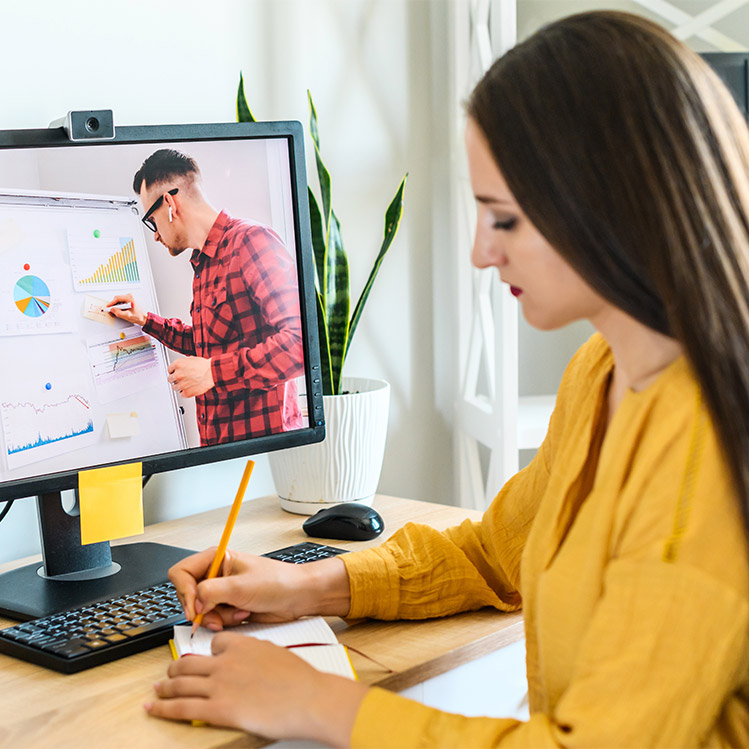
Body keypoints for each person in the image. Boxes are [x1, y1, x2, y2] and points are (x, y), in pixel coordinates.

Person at [143, 11, 749, 746]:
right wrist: (301, 584)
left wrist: (319, 704)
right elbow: (493, 555)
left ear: (607, 204)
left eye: (503, 219)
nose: (477, 253)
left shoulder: (705, 447)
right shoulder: (604, 369)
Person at [109, 149, 305, 446]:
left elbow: (300, 345)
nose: (156, 235)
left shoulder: (252, 243)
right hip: (221, 453)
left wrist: (214, 373)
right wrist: (146, 321)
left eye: (151, 221)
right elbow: (209, 344)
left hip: (265, 455)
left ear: (170, 204)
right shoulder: (204, 262)